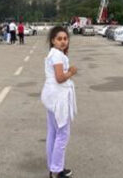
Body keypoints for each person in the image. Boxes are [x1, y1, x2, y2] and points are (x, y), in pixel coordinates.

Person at [41, 26, 77, 178]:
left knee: (53, 134)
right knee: (62, 135)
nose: (63, 42)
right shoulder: (57, 55)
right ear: (53, 41)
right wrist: (71, 72)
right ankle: (56, 170)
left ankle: (53, 167)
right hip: (58, 99)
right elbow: (60, 77)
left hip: (52, 98)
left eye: (65, 39)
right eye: (59, 39)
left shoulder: (54, 53)